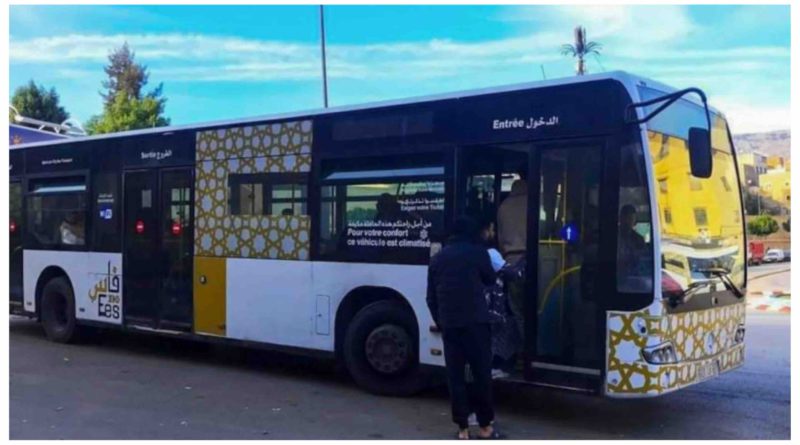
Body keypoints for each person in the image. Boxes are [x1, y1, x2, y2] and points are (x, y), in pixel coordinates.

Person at [427, 215, 504, 440]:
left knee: (455, 377)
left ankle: (462, 430)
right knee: (481, 375)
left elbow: (430, 297)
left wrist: (441, 321)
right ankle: (485, 427)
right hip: (476, 323)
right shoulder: (478, 253)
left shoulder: (438, 258)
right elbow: (490, 279)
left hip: (450, 325)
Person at [496, 173, 527, 345]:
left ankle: (523, 350)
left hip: (512, 262)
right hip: (538, 261)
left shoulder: (503, 207)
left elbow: (500, 239)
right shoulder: (535, 202)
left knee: (517, 309)